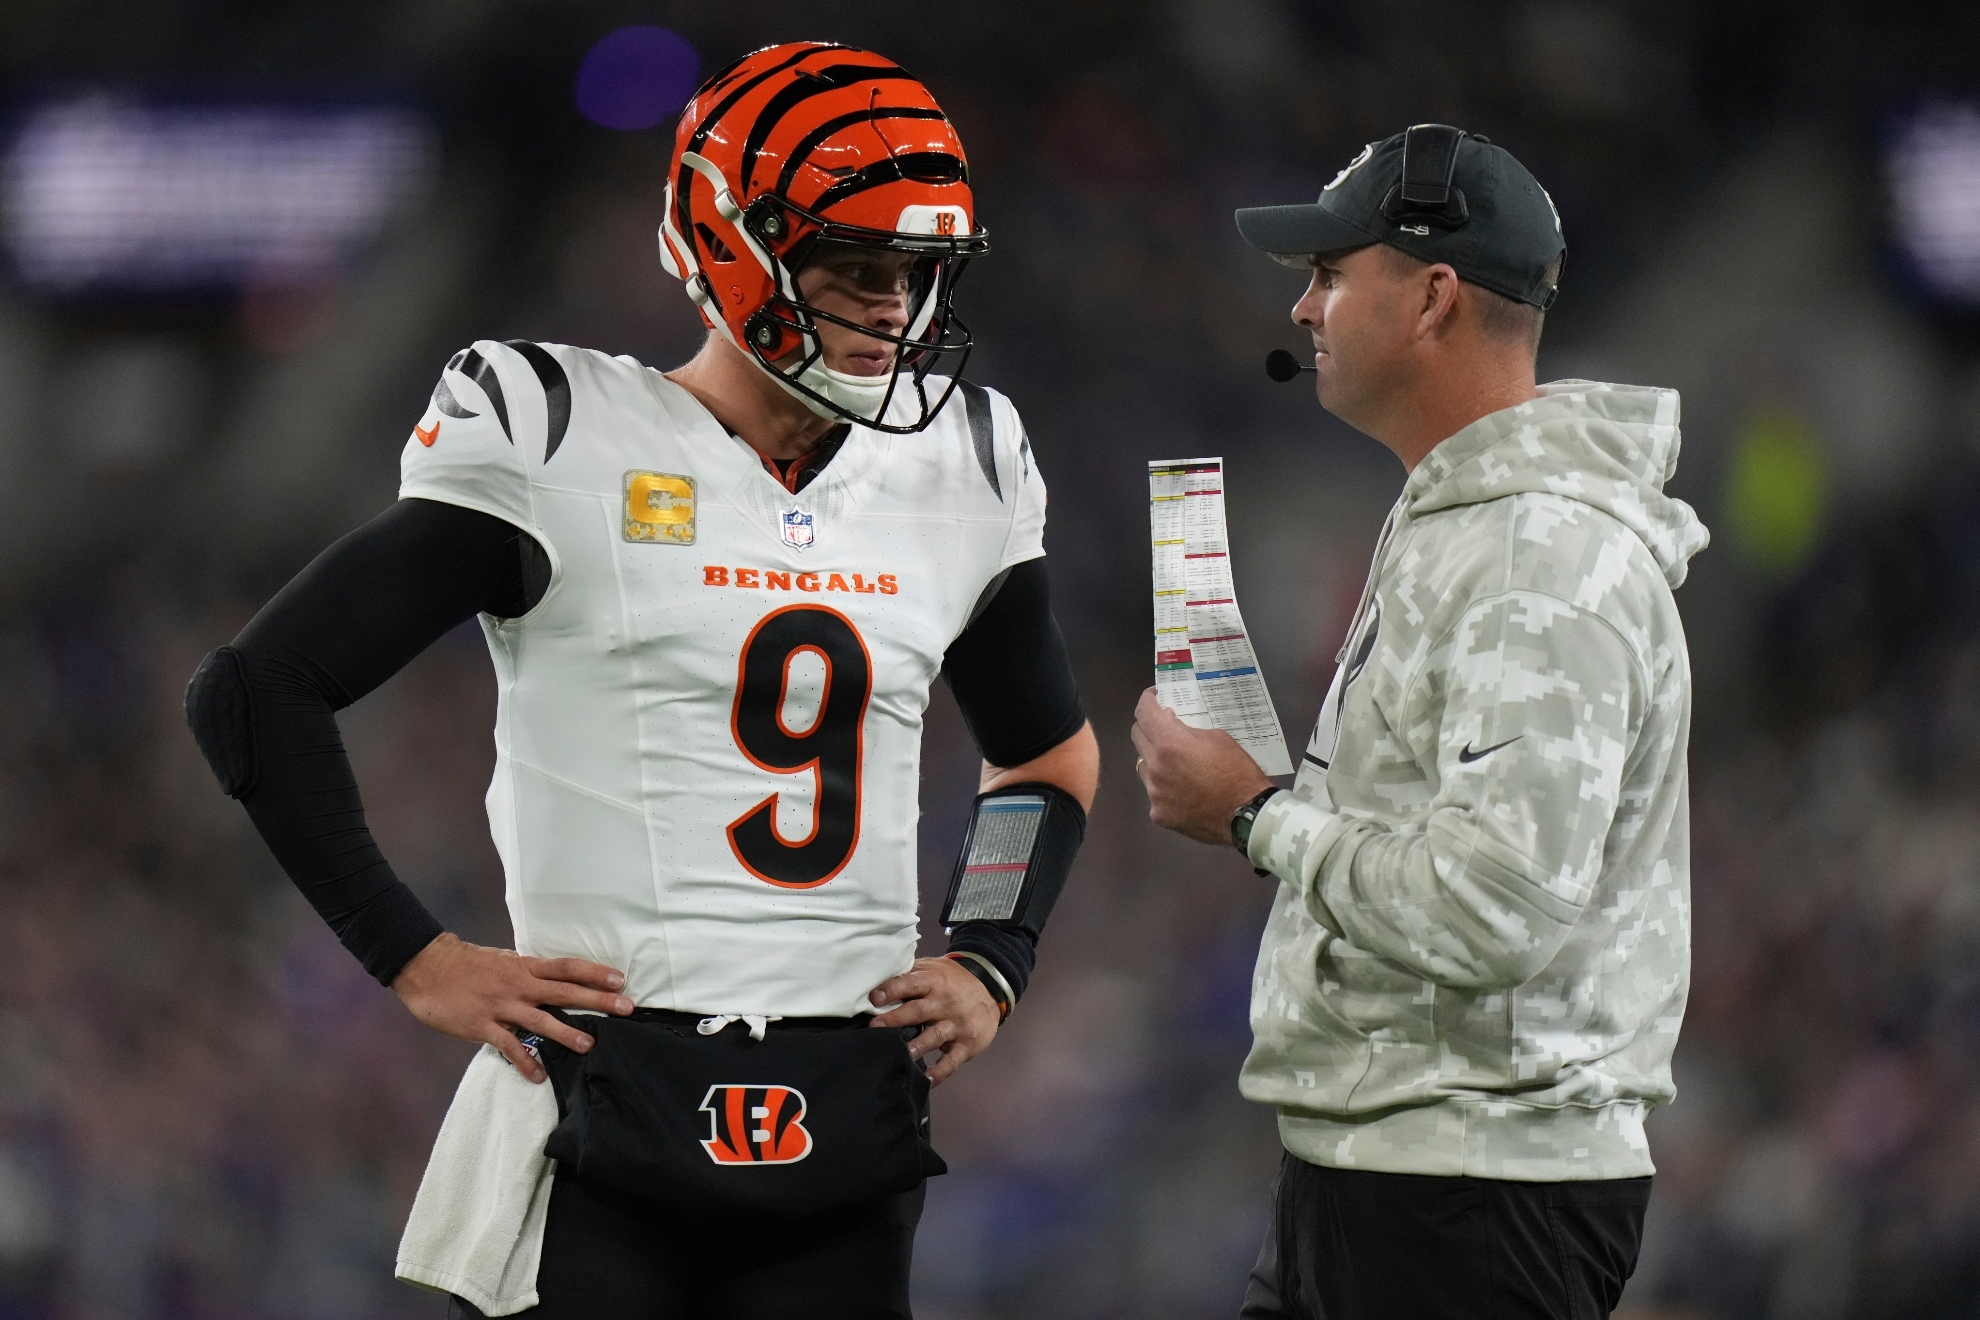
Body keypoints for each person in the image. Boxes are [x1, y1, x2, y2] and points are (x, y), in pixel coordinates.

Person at [185, 42, 1097, 1320]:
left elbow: (1044, 758)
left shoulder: (969, 465)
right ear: (736, 244)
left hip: (850, 1112)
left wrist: (994, 950)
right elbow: (255, 688)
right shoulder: (561, 433)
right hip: (596, 1102)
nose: (894, 308)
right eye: (855, 267)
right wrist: (415, 956)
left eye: (915, 273)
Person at [1132, 125, 1709, 1319]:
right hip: (1404, 1170)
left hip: (1468, 1197)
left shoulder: (1534, 551)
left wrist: (1252, 816)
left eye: (1334, 275)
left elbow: (1492, 905)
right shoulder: (1473, 521)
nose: (1303, 309)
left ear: (1434, 296)